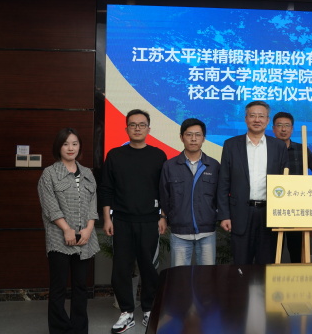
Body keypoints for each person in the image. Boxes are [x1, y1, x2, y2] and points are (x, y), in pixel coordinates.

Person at [99, 109, 168, 333]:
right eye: (133, 124)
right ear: (126, 128)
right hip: (121, 221)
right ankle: (127, 312)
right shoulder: (115, 155)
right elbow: (106, 188)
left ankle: (149, 309)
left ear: (149, 129)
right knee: (121, 268)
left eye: (142, 124)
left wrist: (163, 216)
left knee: (149, 268)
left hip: (150, 221)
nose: (137, 128)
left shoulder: (158, 155)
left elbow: (164, 190)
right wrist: (107, 218)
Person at [38, 128, 99, 334]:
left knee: (81, 286)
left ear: (79, 146)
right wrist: (66, 229)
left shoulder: (88, 173)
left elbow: (92, 204)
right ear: (59, 147)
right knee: (58, 287)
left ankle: (79, 329)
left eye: (74, 143)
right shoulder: (49, 174)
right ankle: (59, 329)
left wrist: (89, 229)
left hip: (85, 239)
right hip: (59, 238)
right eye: (65, 144)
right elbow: (50, 206)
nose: (70, 148)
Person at [217, 101, 289, 264]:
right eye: (253, 116)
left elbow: (285, 182)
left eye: (261, 116)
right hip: (240, 213)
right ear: (246, 119)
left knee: (267, 265)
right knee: (241, 265)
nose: (257, 120)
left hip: (270, 214)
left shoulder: (278, 146)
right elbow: (223, 183)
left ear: (267, 120)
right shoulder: (231, 145)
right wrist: (224, 215)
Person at [160, 118, 220, 266]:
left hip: (207, 232)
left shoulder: (213, 166)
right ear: (181, 137)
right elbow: (164, 195)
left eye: (198, 135)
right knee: (180, 276)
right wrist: (164, 217)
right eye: (189, 134)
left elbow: (220, 196)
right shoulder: (170, 166)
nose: (193, 139)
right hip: (179, 232)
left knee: (207, 276)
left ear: (203, 138)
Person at [272, 111, 312, 263]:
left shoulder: (302, 149)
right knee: (273, 251)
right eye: (279, 125)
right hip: (272, 207)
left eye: (287, 126)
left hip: (297, 208)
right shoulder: (267, 150)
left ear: (292, 129)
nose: (283, 129)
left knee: (297, 250)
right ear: (273, 129)